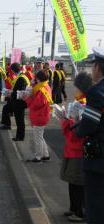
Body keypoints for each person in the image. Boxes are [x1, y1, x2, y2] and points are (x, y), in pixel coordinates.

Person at [55, 72, 92, 223]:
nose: (75, 90)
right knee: (72, 181)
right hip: (72, 149)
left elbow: (77, 133)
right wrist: (65, 118)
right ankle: (73, 207)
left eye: (77, 88)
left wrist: (65, 121)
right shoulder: (79, 103)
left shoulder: (84, 105)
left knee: (78, 182)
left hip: (77, 150)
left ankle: (80, 211)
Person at [75, 48, 104, 223]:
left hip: (98, 160)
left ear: (98, 68)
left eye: (93, 65)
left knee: (95, 206)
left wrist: (77, 125)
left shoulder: (96, 92)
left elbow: (88, 126)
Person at [24, 70, 52, 162]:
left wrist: (27, 98)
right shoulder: (46, 86)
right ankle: (45, 154)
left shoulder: (40, 89)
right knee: (40, 136)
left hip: (39, 116)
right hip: (43, 115)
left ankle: (38, 156)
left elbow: (36, 104)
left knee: (38, 138)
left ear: (38, 79)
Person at [10, 62, 30, 141]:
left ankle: (20, 137)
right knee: (19, 120)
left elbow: (21, 92)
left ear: (13, 70)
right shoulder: (21, 76)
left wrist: (11, 93)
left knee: (20, 120)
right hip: (19, 102)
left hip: (20, 102)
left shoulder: (21, 78)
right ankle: (20, 136)